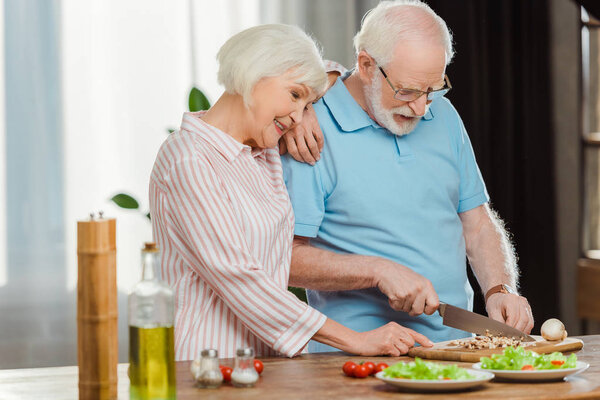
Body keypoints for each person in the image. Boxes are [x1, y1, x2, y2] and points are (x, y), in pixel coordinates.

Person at [149, 23, 432, 360]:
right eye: (295, 95)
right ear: (253, 74)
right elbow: (239, 278)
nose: (298, 117)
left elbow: (342, 75)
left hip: (258, 366)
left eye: (305, 104)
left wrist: (306, 103)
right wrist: (355, 340)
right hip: (202, 366)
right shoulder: (189, 159)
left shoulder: (261, 153)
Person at [281, 0, 534, 353]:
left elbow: (476, 222)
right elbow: (285, 258)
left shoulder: (442, 113)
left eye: (433, 89)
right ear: (367, 65)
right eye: (407, 91)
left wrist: (499, 288)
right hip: (356, 359)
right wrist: (377, 271)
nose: (420, 108)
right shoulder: (311, 132)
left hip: (458, 348)